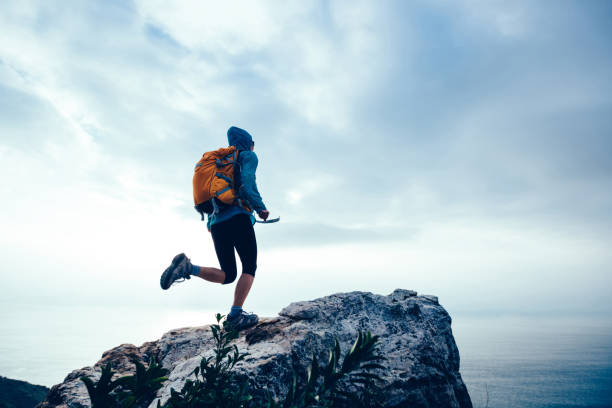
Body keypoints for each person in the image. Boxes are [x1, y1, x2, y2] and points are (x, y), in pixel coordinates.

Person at [159, 126, 269, 331]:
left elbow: (214, 193)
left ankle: (187, 268)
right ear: (248, 142)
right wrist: (260, 207)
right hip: (238, 217)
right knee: (249, 267)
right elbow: (247, 181)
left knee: (228, 274)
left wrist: (211, 223)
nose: (253, 147)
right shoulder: (246, 155)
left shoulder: (218, 161)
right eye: (253, 144)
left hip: (216, 222)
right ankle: (236, 315)